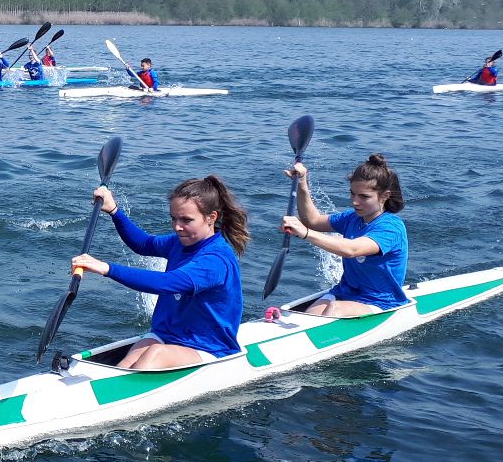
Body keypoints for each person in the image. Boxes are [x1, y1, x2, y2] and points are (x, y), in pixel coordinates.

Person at [72, 175, 249, 369]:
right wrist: (114, 211)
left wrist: (107, 269)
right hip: (167, 335)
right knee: (128, 363)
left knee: (155, 353)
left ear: (211, 217)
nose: (177, 227)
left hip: (208, 347)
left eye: (186, 220)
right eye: (173, 218)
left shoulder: (216, 260)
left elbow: (168, 283)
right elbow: (143, 244)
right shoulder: (179, 242)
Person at [280, 153, 409, 316]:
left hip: (380, 301)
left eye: (364, 196)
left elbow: (352, 250)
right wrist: (302, 184)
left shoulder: (391, 227)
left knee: (333, 311)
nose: (355, 201)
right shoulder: (352, 217)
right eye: (352, 194)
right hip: (344, 292)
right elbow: (312, 220)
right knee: (311, 314)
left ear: (385, 196)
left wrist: (305, 233)